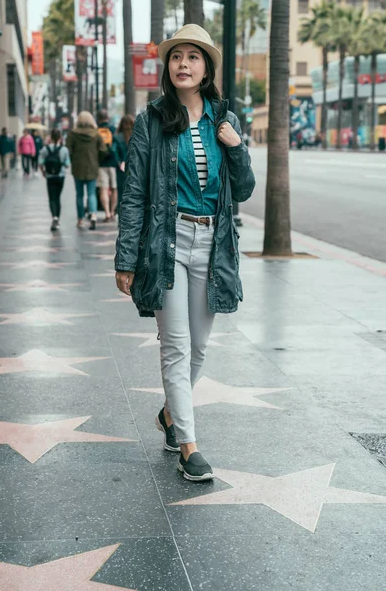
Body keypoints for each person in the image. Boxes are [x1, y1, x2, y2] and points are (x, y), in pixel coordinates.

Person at [115, 24, 255, 482]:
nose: (183, 64)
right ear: (168, 67)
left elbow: (246, 190)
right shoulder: (152, 120)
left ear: (206, 68)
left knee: (198, 347)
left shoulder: (225, 119)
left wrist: (237, 149)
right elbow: (134, 192)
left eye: (193, 57)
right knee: (175, 347)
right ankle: (189, 447)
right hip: (166, 243)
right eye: (177, 57)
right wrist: (126, 258)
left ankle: (171, 414)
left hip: (212, 245)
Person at [66, 111, 107, 230]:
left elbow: (68, 149)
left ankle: (80, 219)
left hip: (78, 167)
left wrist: (73, 159)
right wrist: (97, 158)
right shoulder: (96, 134)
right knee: (91, 193)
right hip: (92, 167)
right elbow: (103, 150)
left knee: (79, 195)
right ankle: (93, 215)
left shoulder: (73, 134)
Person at [39, 129, 70, 231]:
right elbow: (67, 164)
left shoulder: (45, 149)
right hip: (60, 176)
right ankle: (57, 219)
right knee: (58, 197)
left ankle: (54, 217)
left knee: (51, 197)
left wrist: (43, 172)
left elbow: (40, 162)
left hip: (50, 176)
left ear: (51, 137)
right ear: (60, 137)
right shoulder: (64, 150)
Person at [97, 109, 119, 222]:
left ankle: (106, 213)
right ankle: (112, 212)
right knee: (115, 188)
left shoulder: (96, 130)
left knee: (103, 189)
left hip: (100, 164)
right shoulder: (113, 129)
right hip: (113, 163)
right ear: (107, 118)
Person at [113, 115, 134, 215]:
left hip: (121, 169)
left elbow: (113, 150)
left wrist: (119, 162)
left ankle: (121, 221)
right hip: (135, 169)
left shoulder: (117, 137)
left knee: (121, 195)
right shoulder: (136, 136)